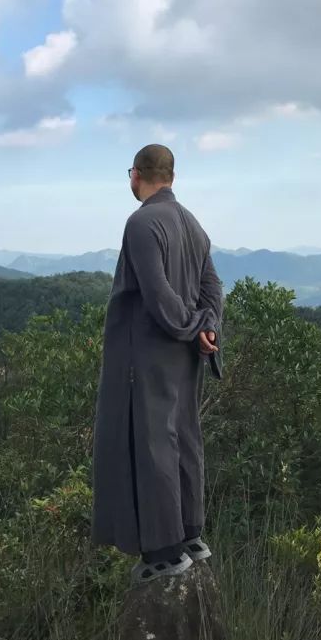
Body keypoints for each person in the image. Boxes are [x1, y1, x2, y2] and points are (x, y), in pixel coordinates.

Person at [91, 144, 224, 585]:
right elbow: (213, 288)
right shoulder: (192, 224)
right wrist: (207, 326)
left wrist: (189, 325)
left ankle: (163, 548)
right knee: (184, 435)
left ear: (137, 175)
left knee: (153, 443)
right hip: (186, 355)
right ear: (172, 175)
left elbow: (157, 293)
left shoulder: (142, 222)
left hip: (149, 352)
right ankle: (190, 533)